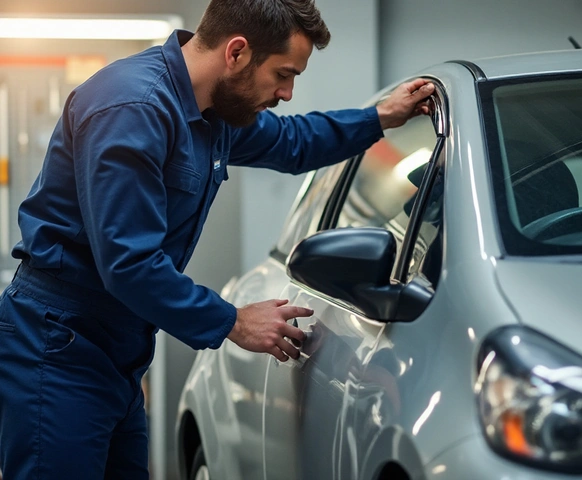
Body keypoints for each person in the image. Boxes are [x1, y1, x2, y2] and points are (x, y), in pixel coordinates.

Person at [0, 0, 434, 478]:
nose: (287, 93)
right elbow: (129, 263)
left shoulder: (214, 114)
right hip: (60, 344)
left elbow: (293, 142)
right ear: (237, 53)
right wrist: (233, 321)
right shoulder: (134, 108)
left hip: (116, 348)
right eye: (283, 74)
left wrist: (380, 117)